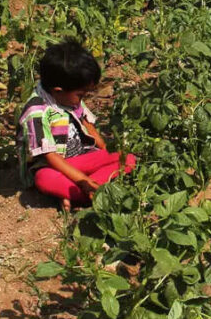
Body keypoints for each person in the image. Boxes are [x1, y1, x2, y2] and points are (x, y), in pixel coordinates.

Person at [16, 40, 135, 210]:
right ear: (58, 90)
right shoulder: (36, 112)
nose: (83, 99)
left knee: (127, 158)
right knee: (44, 178)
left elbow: (88, 126)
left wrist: (106, 152)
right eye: (81, 94)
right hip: (52, 166)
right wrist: (84, 181)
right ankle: (90, 192)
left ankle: (78, 193)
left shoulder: (68, 96)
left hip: (81, 160)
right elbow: (50, 157)